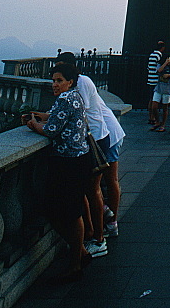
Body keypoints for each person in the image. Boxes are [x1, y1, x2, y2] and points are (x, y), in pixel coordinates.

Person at [25, 63, 91, 282]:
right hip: (78, 160)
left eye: (59, 80)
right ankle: (79, 253)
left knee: (65, 212)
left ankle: (76, 262)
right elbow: (55, 117)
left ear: (69, 82)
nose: (54, 84)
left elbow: (51, 130)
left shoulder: (65, 99)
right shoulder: (75, 97)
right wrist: (39, 116)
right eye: (53, 80)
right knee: (69, 211)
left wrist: (33, 124)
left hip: (67, 164)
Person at [57, 52, 125, 246]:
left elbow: (79, 111)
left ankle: (110, 223)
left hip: (107, 134)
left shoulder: (82, 83)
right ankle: (106, 221)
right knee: (98, 184)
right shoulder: (77, 84)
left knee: (108, 181)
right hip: (103, 133)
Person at [150, 55, 170, 131]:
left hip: (167, 89)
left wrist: (169, 75)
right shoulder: (160, 65)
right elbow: (158, 70)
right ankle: (157, 121)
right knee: (154, 106)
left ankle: (163, 124)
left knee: (165, 107)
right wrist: (165, 63)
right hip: (159, 88)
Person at [147, 41, 165, 125]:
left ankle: (150, 117)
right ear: (162, 48)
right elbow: (159, 69)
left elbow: (149, 67)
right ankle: (153, 117)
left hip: (150, 79)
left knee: (150, 99)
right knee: (154, 100)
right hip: (156, 80)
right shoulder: (159, 56)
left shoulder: (151, 55)